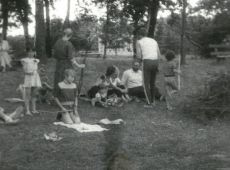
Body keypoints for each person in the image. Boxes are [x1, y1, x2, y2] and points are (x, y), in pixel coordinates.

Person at [53, 28, 85, 97]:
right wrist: (79, 65)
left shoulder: (57, 42)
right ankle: (67, 96)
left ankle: (57, 96)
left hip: (58, 65)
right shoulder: (68, 44)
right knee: (69, 78)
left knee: (58, 79)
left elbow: (54, 55)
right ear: (70, 36)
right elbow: (71, 58)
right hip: (66, 65)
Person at [136, 28, 161, 107]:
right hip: (156, 61)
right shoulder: (154, 41)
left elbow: (139, 55)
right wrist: (157, 65)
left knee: (145, 83)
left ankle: (149, 103)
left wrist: (138, 63)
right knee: (152, 83)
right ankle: (153, 100)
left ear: (139, 35)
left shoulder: (139, 42)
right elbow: (159, 54)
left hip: (147, 62)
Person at [21, 49, 41, 115]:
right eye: (29, 52)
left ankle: (34, 109)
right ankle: (27, 111)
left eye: (33, 52)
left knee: (34, 94)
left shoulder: (36, 60)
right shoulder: (25, 60)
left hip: (35, 77)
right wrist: (28, 73)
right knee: (28, 95)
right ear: (27, 52)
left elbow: (36, 69)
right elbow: (24, 70)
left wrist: (39, 72)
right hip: (28, 78)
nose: (31, 53)